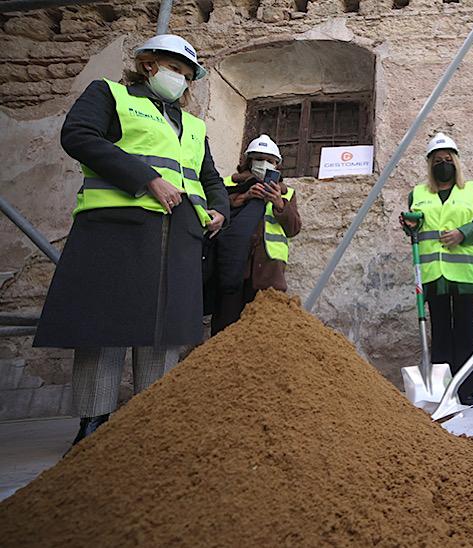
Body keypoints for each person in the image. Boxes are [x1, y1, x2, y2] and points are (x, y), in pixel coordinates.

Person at [33, 34, 229, 445]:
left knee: (166, 333)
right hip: (116, 228)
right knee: (104, 329)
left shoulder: (193, 126)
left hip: (179, 236)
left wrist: (220, 210)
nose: (180, 80)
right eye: (174, 68)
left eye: (187, 75)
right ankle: (93, 428)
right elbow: (80, 136)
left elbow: (208, 176)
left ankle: (150, 427)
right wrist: (145, 179)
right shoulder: (111, 95)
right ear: (148, 65)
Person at [400, 133, 473, 406]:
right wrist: (408, 225)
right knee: (439, 330)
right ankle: (441, 388)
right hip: (432, 274)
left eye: (448, 159)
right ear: (430, 164)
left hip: (463, 274)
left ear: (456, 162)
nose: (443, 164)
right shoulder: (417, 194)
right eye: (437, 160)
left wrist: (463, 233)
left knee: (464, 329)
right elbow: (414, 229)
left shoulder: (471, 190)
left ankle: (466, 387)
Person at [205, 134, 301, 335]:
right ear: (248, 160)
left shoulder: (286, 193)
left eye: (270, 160)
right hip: (230, 266)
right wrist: (244, 197)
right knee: (226, 326)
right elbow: (213, 216)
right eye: (259, 158)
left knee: (263, 330)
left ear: (277, 166)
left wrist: (278, 203)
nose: (264, 164)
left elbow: (293, 229)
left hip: (268, 269)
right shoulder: (226, 184)